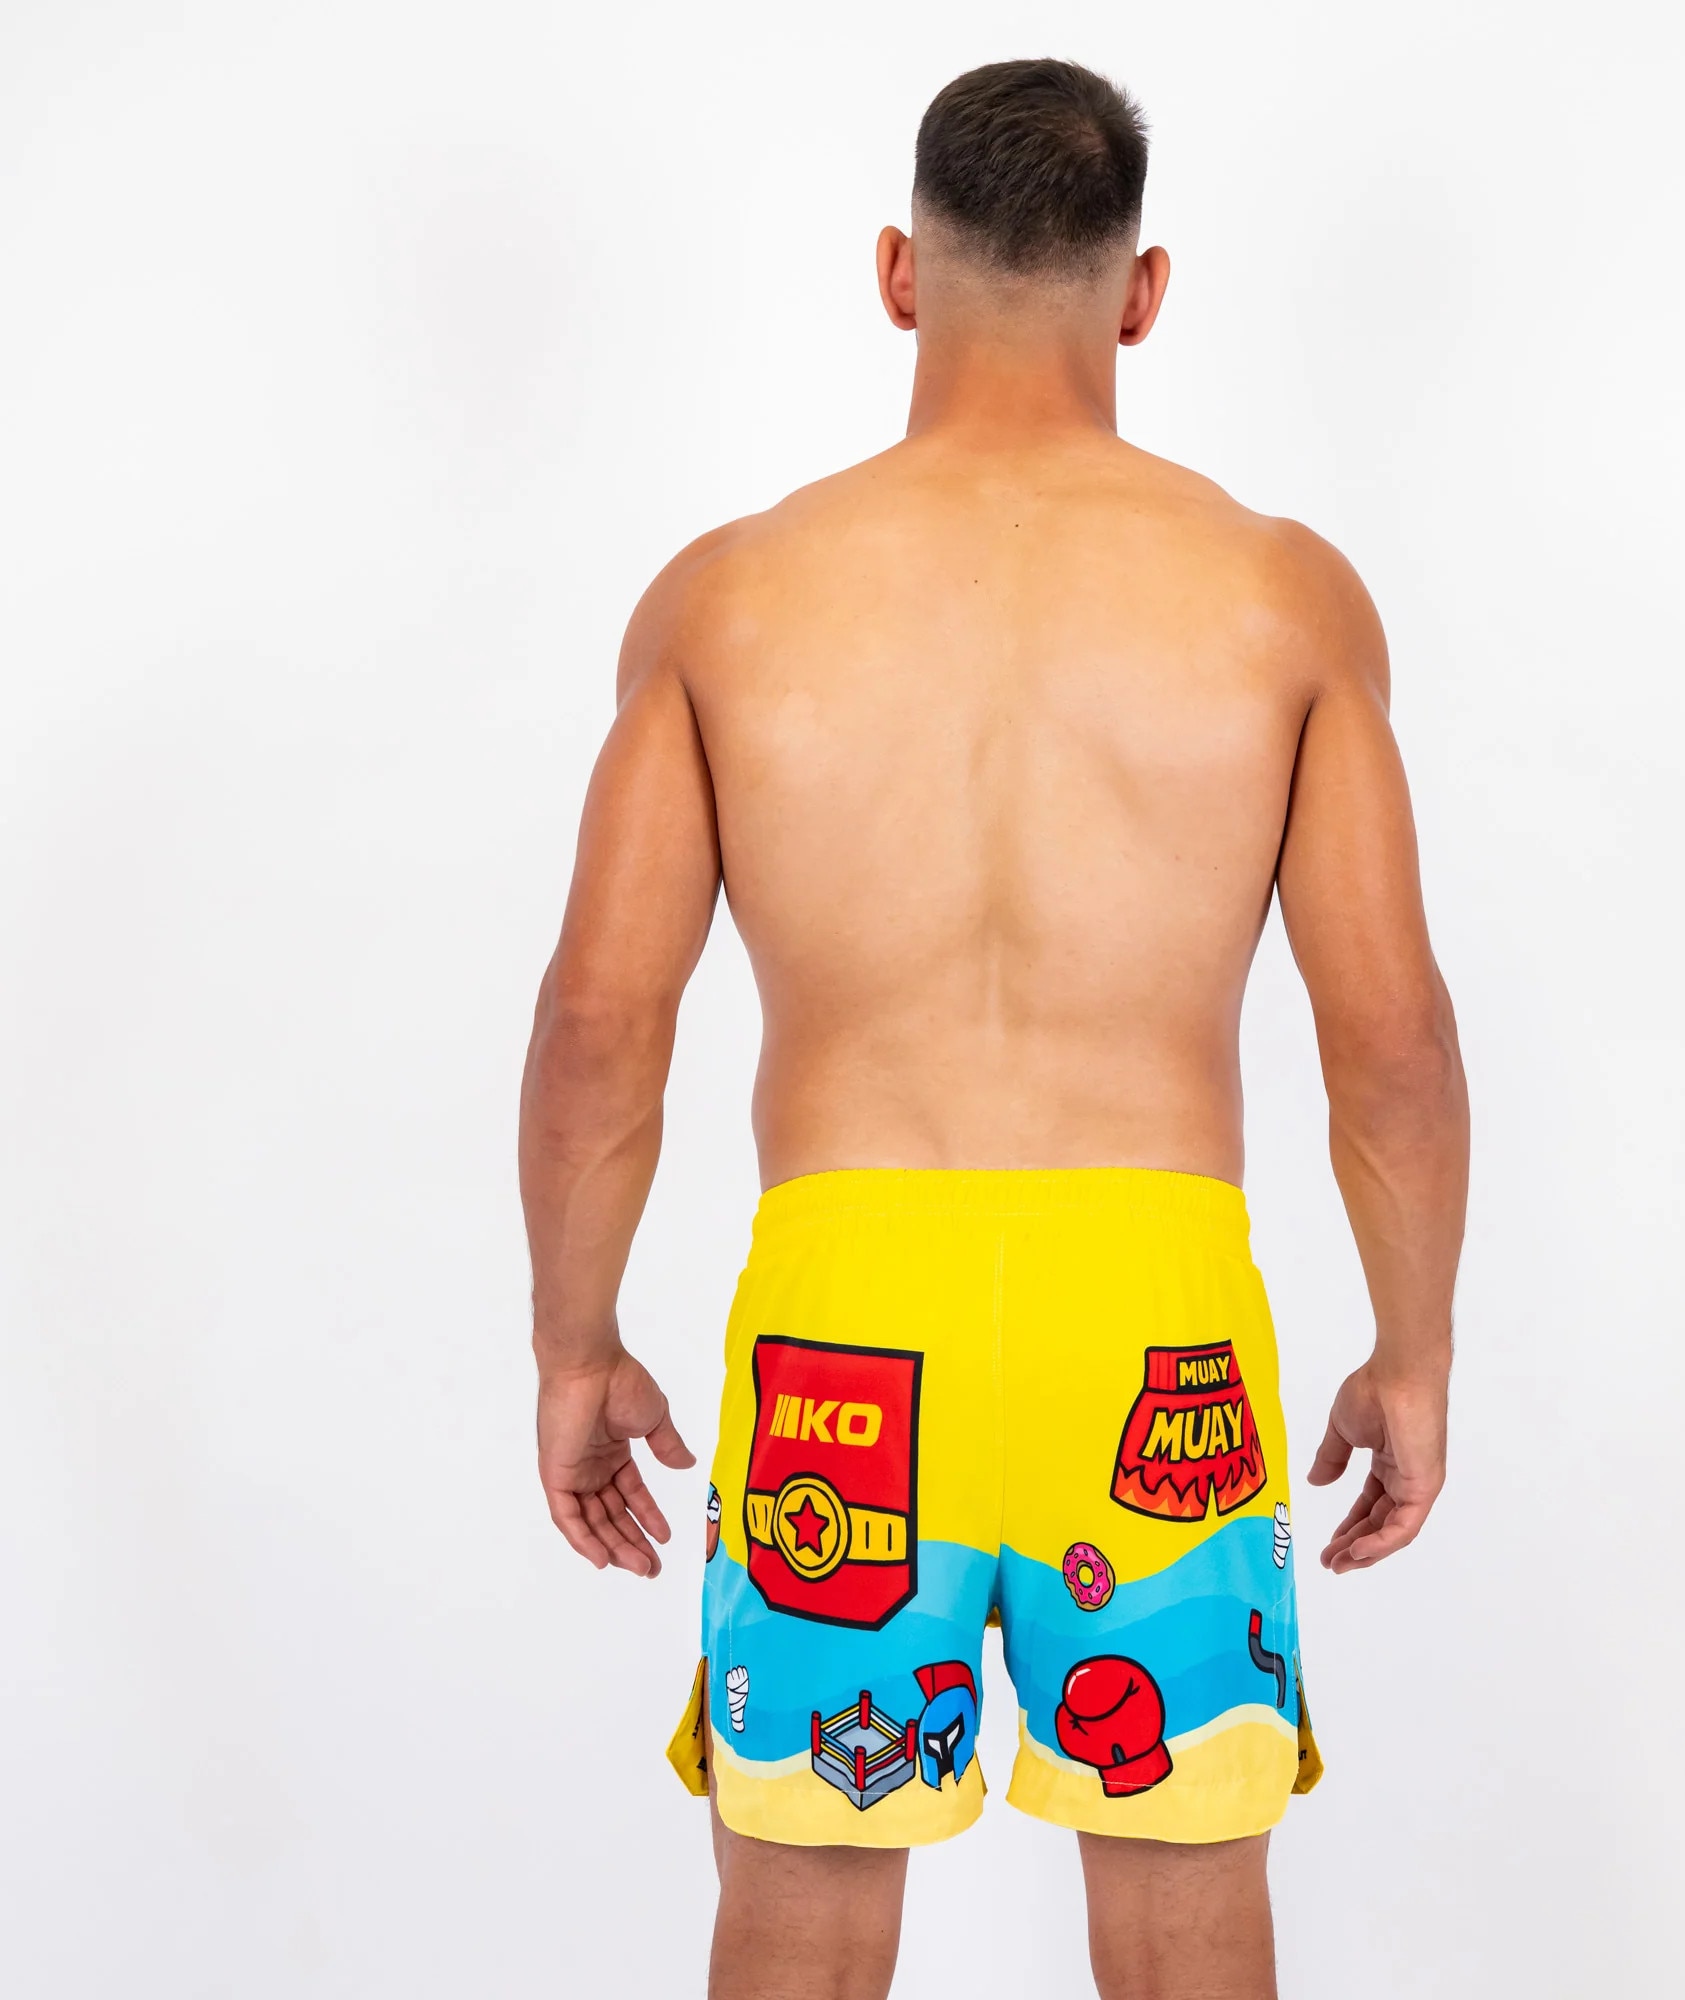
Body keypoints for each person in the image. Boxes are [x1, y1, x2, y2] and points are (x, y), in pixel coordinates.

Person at [518, 57, 1469, 2000]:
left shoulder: (729, 602)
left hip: (849, 1317)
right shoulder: (1280, 601)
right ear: (1143, 292)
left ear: (898, 269)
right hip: (1154, 1323)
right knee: (1185, 1905)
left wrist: (574, 1340)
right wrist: (1415, 1351)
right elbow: (1387, 1039)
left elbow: (604, 1020)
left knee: (800, 1900)